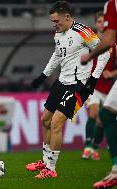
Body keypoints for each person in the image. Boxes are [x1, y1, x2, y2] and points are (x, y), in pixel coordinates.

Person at [26, 1, 110, 179]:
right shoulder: (58, 33)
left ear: (68, 16)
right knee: (45, 120)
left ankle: (51, 169)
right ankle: (45, 160)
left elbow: (105, 52)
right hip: (61, 82)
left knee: (56, 123)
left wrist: (93, 79)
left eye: (57, 21)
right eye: (52, 21)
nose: (54, 25)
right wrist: (43, 76)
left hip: (79, 84)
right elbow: (57, 54)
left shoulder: (84, 32)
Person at [81, 0, 117, 188]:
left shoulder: (111, 39)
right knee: (96, 114)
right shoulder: (90, 40)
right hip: (93, 85)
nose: (102, 24)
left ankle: (95, 146)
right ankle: (89, 147)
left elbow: (110, 42)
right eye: (100, 21)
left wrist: (112, 73)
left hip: (109, 86)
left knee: (104, 118)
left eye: (104, 21)